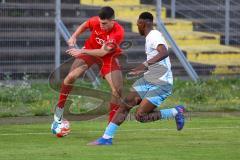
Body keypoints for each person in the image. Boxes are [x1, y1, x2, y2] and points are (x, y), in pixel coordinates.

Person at [89, 12, 185, 145]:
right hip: (149, 78)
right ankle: (106, 138)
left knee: (141, 116)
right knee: (126, 103)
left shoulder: (154, 36)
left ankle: (176, 111)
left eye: (138, 24)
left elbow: (164, 52)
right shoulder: (150, 36)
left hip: (161, 83)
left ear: (142, 24)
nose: (137, 27)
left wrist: (144, 65)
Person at [52, 6, 125, 127]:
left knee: (117, 90)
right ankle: (59, 110)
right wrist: (74, 36)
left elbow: (102, 52)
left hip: (107, 57)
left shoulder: (117, 32)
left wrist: (82, 51)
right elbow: (85, 24)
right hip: (90, 51)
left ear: (113, 20)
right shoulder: (97, 21)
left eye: (105, 23)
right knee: (71, 77)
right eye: (100, 22)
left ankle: (109, 130)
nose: (101, 25)